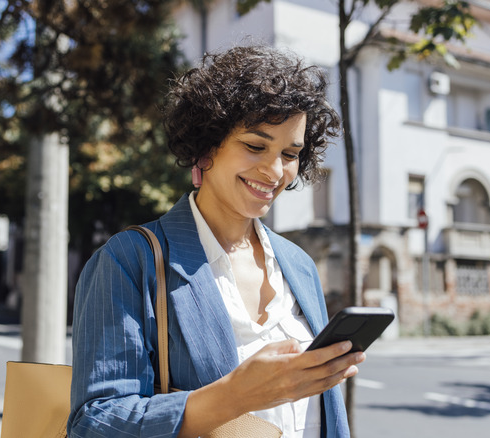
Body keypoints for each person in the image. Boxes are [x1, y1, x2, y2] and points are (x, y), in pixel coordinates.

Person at [68, 45, 365, 438]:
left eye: (290, 153)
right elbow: (94, 423)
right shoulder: (128, 261)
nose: (275, 171)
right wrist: (235, 395)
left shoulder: (299, 265)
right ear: (207, 146)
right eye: (255, 146)